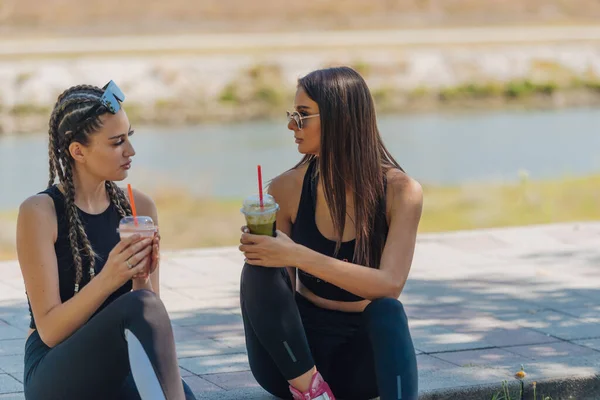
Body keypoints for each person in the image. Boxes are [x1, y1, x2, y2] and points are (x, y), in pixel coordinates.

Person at [238, 67, 423, 400]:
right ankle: (313, 392)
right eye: (292, 115)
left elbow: (390, 285)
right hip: (295, 362)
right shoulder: (288, 188)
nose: (292, 126)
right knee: (258, 268)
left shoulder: (401, 191)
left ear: (340, 118)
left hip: (361, 363)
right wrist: (269, 251)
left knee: (388, 312)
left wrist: (296, 254)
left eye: (303, 115)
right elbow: (274, 291)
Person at [16, 81, 195, 400]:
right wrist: (111, 277)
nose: (131, 151)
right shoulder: (40, 213)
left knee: (177, 390)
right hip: (54, 372)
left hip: (118, 365)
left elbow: (147, 314)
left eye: (130, 137)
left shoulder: (140, 208)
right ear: (78, 151)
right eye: (116, 142)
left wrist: (141, 279)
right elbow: (51, 331)